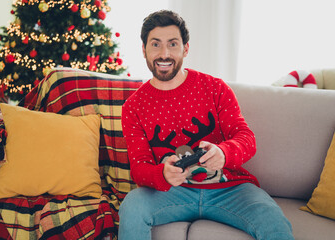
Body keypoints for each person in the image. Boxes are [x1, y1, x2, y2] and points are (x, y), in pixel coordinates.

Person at [119, 10, 294, 240]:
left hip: (229, 188)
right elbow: (139, 167)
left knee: (273, 220)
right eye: (156, 44)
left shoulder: (215, 88)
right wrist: (161, 173)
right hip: (171, 193)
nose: (164, 53)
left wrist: (224, 152)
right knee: (131, 206)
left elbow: (246, 138)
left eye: (173, 44)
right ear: (144, 50)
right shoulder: (133, 107)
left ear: (186, 48)